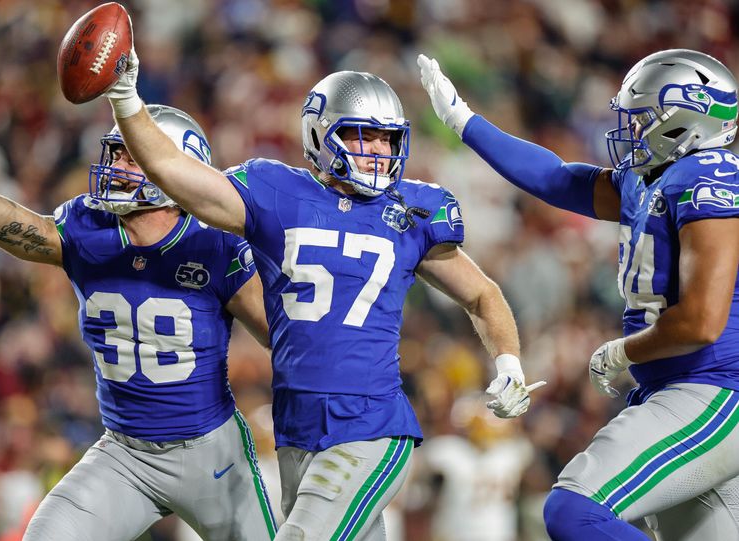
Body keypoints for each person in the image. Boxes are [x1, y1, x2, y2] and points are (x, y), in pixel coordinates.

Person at [97, 41, 543, 540]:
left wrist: (508, 362)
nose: (378, 151)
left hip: (371, 424)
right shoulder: (273, 191)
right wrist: (128, 103)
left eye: (386, 139)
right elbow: (175, 174)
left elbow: (482, 294)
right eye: (362, 135)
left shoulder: (412, 212)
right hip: (297, 425)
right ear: (319, 133)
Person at [418, 49, 739, 540]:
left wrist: (620, 353)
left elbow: (701, 322)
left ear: (685, 122)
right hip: (676, 388)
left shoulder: (710, 178)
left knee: (575, 508)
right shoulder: (655, 176)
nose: (629, 131)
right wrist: (465, 123)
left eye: (643, 120)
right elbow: (557, 178)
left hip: (711, 389)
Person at [0, 104, 278, 541]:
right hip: (125, 454)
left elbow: (283, 341)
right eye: (115, 155)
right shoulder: (87, 229)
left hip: (211, 455)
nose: (115, 167)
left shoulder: (215, 244)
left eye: (132, 156)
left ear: (176, 168)